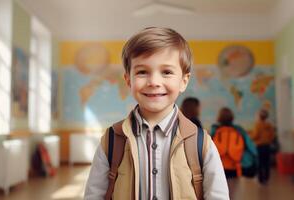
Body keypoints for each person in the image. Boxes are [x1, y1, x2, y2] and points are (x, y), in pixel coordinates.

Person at [84, 27, 229, 200]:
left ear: (184, 81)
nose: (154, 82)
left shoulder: (200, 143)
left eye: (166, 72)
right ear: (128, 80)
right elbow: (94, 195)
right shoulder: (112, 140)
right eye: (142, 72)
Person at [210, 107, 257, 179]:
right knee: (234, 188)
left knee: (220, 188)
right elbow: (250, 146)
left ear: (219, 117)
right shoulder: (239, 130)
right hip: (235, 165)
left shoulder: (215, 130)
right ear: (232, 117)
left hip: (218, 165)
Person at [250, 109, 275, 184]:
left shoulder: (258, 124)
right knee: (266, 163)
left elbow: (255, 135)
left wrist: (250, 138)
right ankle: (266, 178)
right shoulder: (269, 125)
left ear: (259, 116)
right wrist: (268, 141)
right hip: (267, 146)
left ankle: (261, 179)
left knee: (260, 163)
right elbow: (272, 135)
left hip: (259, 146)